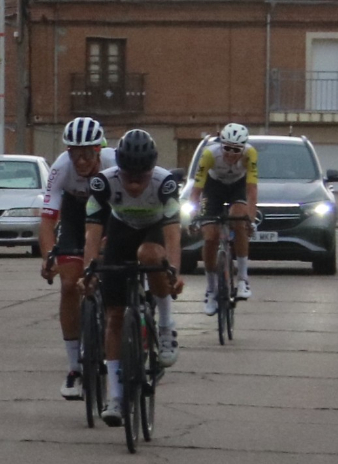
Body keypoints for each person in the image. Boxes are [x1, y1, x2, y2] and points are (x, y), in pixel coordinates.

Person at [80, 129, 184, 425]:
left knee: (150, 256)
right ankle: (115, 396)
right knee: (113, 315)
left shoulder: (164, 183)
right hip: (121, 230)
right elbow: (93, 232)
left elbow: (173, 233)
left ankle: (166, 327)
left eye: (142, 174)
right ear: (119, 169)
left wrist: (175, 271)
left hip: (154, 229)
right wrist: (90, 270)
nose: (136, 182)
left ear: (152, 169)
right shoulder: (104, 183)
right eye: (129, 175)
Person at [38, 117, 117, 399]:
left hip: (110, 213)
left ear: (99, 151)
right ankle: (74, 368)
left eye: (87, 154)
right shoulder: (61, 168)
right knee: (69, 285)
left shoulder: (113, 164)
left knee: (112, 278)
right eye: (75, 154)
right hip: (74, 213)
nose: (81, 161)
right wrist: (49, 257)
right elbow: (48, 220)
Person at [193, 122, 259, 311]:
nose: (230, 154)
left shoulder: (250, 154)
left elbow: (252, 190)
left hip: (237, 187)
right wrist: (193, 216)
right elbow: (196, 190)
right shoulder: (209, 154)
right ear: (221, 144)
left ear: (243, 148)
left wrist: (251, 220)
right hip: (212, 188)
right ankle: (211, 289)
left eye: (236, 149)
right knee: (210, 236)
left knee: (239, 218)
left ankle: (243, 280)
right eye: (227, 148)